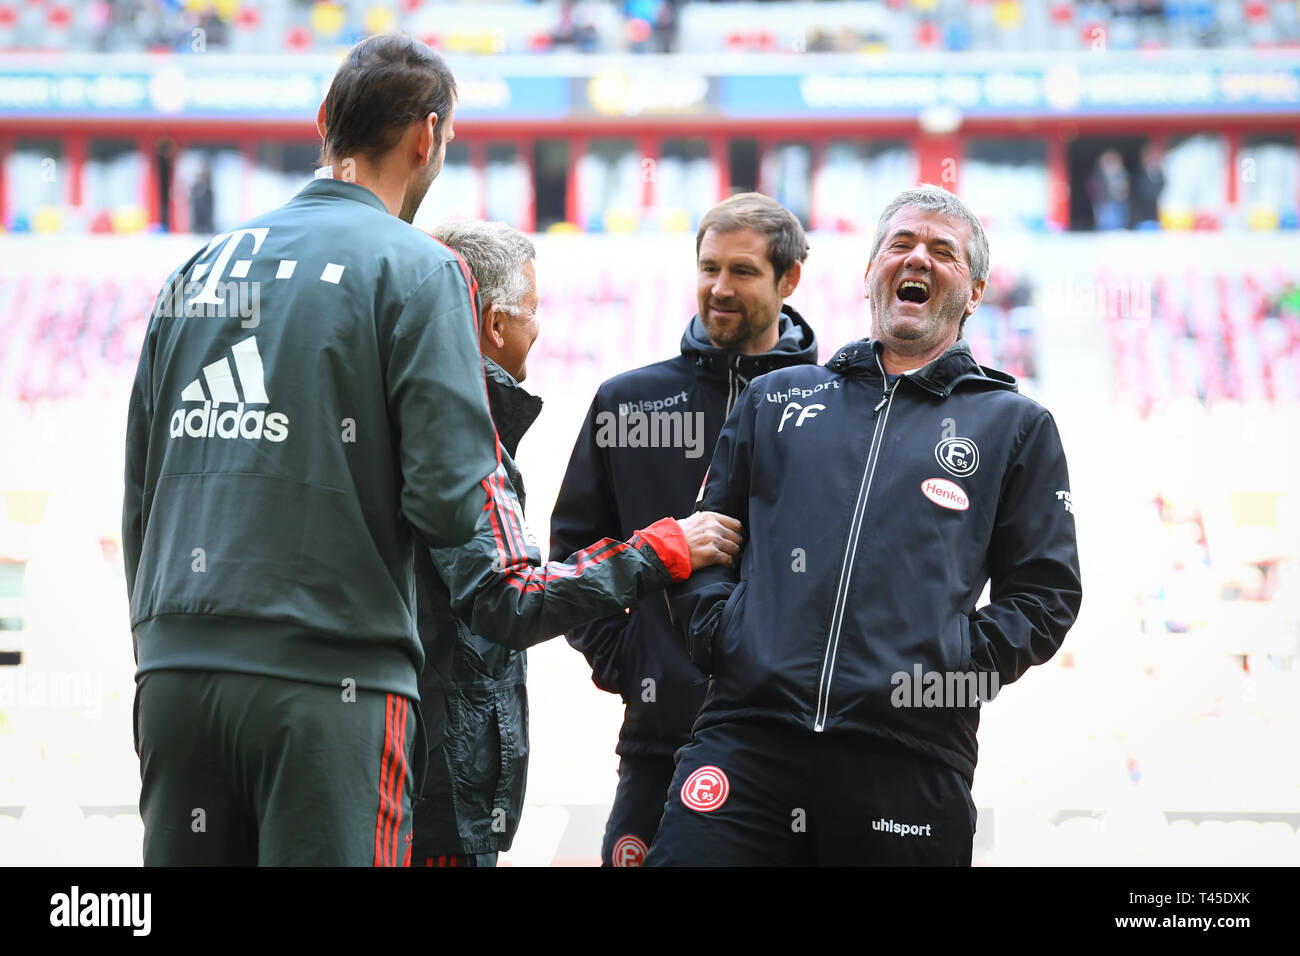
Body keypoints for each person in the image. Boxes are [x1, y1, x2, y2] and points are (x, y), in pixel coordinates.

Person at [122, 35, 501, 866]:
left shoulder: (195, 269)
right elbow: (448, 498)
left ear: (324, 121)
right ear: (427, 137)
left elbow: (142, 493)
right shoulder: (421, 268)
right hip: (331, 682)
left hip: (176, 674)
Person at [649, 184, 1082, 866]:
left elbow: (1046, 596)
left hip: (910, 763)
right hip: (746, 743)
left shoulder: (1015, 425)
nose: (918, 258)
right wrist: (727, 635)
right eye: (901, 244)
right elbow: (706, 543)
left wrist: (949, 667)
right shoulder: (777, 398)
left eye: (943, 251)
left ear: (973, 293)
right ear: (869, 272)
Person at [409, 220, 742, 868]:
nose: (541, 330)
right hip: (433, 770)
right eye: (534, 313)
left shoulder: (395, 405)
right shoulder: (452, 430)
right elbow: (513, 595)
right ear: (498, 324)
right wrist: (662, 553)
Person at [549, 193, 819, 866]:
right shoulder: (627, 401)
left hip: (796, 743)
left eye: (743, 271)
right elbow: (572, 551)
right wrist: (631, 655)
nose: (720, 288)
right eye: (708, 268)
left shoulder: (833, 407)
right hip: (657, 736)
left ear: (788, 281)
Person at [1088, 149, 1131, 231]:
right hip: (1104, 206)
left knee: (1119, 226)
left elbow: (1124, 192)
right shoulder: (1098, 175)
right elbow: (1094, 192)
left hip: (1118, 206)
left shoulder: (1123, 173)